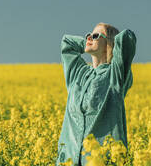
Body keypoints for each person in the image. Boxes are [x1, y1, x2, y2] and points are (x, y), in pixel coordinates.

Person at [56, 22, 137, 166]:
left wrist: (112, 43)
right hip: (69, 160)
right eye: (88, 35)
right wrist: (88, 44)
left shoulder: (115, 75)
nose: (89, 38)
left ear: (110, 43)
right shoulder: (78, 74)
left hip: (102, 160)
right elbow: (67, 43)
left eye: (95, 35)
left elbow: (127, 39)